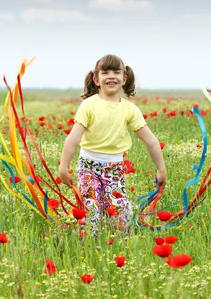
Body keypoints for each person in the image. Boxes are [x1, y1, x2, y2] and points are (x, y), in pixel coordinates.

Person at [59, 54, 167, 236]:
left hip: (114, 168)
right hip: (88, 167)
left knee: (120, 215)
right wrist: (64, 166)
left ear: (124, 79)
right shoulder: (88, 105)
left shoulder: (130, 109)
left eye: (116, 72)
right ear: (96, 79)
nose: (111, 76)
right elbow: (73, 139)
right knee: (91, 210)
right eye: (105, 72)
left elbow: (151, 141)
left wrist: (161, 169)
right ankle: (88, 247)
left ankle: (121, 246)